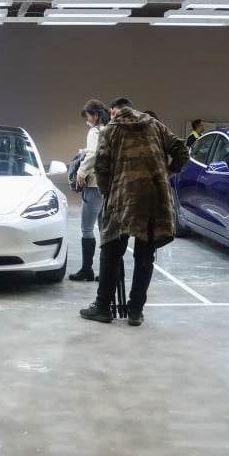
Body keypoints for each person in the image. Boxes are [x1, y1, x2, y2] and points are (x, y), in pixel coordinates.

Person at [79, 97, 189, 327]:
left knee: (111, 252)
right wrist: (168, 172)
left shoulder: (110, 130)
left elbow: (101, 167)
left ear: (112, 111)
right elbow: (182, 150)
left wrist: (108, 193)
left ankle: (103, 307)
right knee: (145, 256)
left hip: (122, 198)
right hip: (154, 200)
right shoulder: (155, 125)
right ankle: (135, 311)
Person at [69, 99, 109, 282]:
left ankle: (87, 270)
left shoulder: (95, 131)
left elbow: (93, 154)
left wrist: (81, 171)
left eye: (88, 117)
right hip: (108, 185)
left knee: (86, 229)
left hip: (94, 185)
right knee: (104, 230)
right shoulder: (110, 129)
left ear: (95, 115)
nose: (87, 121)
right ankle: (106, 272)